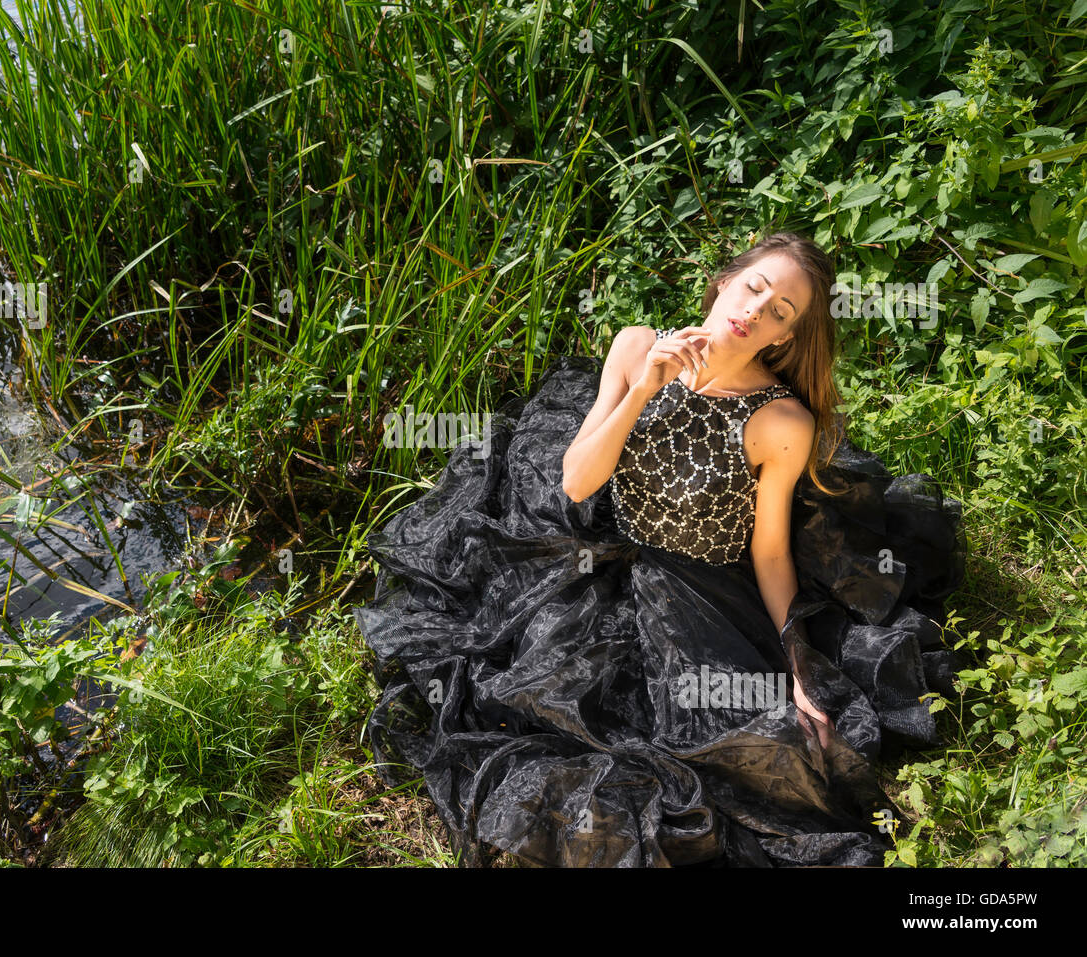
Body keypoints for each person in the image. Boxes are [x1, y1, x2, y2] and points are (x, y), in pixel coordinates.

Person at [352, 231, 967, 867]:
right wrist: (644, 388)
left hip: (700, 586)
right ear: (726, 281)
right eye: (755, 286)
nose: (757, 309)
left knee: (744, 746)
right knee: (530, 683)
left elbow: (772, 552)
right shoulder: (637, 345)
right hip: (605, 552)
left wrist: (798, 663)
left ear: (784, 337)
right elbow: (577, 480)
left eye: (781, 310)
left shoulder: (780, 422)